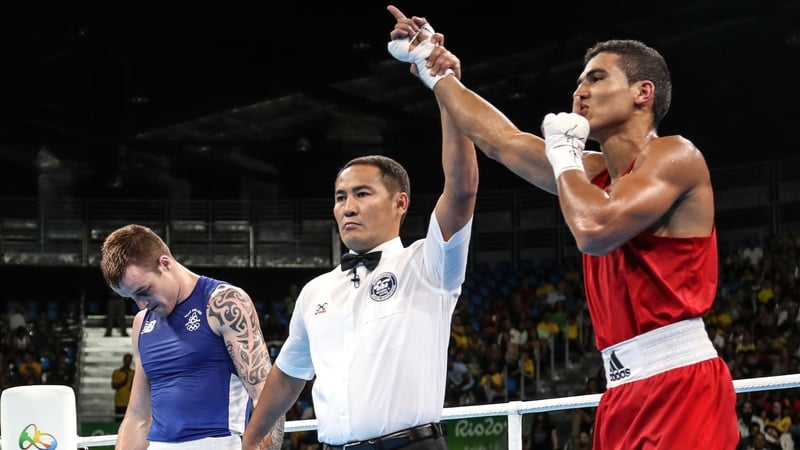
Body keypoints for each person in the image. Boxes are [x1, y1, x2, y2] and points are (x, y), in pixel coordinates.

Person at [386, 5, 738, 449]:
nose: (580, 92)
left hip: (680, 385)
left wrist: (564, 153)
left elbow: (594, 229)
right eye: (578, 83)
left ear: (642, 93)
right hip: (620, 392)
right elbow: (502, 141)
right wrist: (433, 69)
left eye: (596, 78)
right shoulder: (591, 174)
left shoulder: (676, 156)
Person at [241, 58, 479, 449]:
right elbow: (288, 375)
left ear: (400, 203)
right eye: (340, 197)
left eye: (362, 194)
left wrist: (445, 84)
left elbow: (461, 189)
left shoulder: (427, 264)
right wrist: (250, 442)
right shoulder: (315, 291)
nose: (347, 207)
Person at [99, 223, 284, 449]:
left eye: (143, 291)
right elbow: (138, 417)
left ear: (164, 264)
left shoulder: (223, 303)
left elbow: (266, 395)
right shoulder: (142, 323)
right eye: (131, 298)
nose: (141, 304)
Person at [111, 353, 135, 423]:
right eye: (126, 360)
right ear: (123, 360)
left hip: (130, 402)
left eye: (129, 360)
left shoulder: (134, 373)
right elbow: (114, 385)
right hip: (119, 402)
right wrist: (125, 380)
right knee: (118, 421)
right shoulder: (116, 372)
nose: (127, 362)